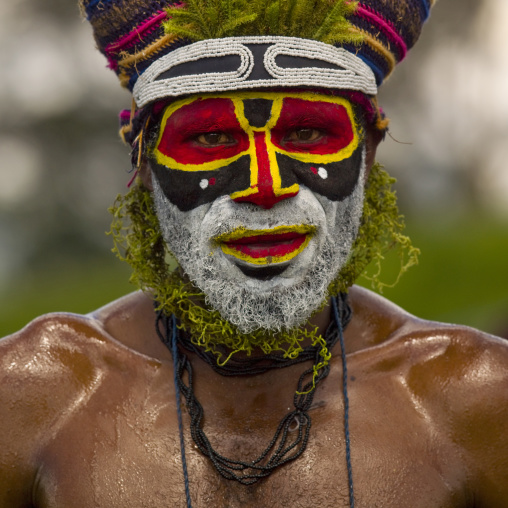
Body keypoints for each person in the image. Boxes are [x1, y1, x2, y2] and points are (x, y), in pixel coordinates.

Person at [1, 0, 507, 506]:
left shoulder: (472, 399)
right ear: (146, 163)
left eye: (307, 133)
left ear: (368, 151)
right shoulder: (36, 397)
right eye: (211, 136)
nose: (265, 186)